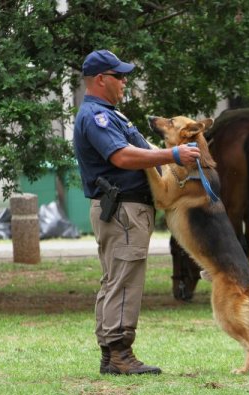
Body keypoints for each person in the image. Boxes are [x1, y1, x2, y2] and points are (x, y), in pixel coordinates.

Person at [73, 50, 200, 375]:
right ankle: (119, 353)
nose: (125, 80)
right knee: (125, 280)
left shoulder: (109, 114)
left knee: (116, 279)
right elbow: (122, 157)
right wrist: (172, 153)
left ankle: (111, 353)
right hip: (124, 210)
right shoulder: (97, 117)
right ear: (101, 79)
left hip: (124, 209)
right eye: (119, 75)